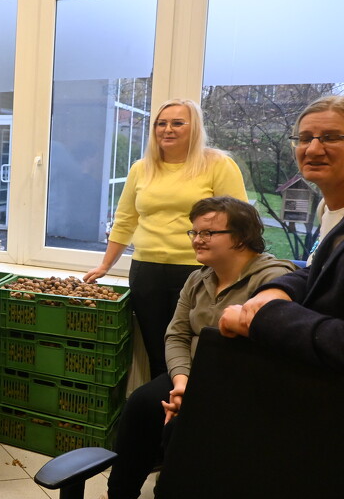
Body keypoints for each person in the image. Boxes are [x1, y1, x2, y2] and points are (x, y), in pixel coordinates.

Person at [81, 198, 294, 499]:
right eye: (194, 232)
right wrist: (182, 382)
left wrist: (196, 393)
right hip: (193, 375)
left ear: (241, 237)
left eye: (208, 233)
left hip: (241, 385)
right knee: (142, 403)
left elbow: (267, 353)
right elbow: (176, 335)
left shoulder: (273, 280)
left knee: (183, 427)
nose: (197, 240)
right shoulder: (198, 278)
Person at [84, 98, 248, 379]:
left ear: (194, 128)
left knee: (199, 354)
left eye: (177, 123)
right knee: (158, 355)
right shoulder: (141, 168)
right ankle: (161, 405)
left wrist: (238, 273)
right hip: (147, 272)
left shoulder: (218, 164)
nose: (167, 129)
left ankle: (191, 405)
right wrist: (105, 265)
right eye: (161, 123)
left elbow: (239, 222)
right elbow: (125, 220)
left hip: (201, 273)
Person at [220, 95, 344, 370]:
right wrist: (277, 290)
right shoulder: (328, 211)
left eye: (331, 137)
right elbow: (321, 271)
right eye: (305, 138)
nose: (313, 149)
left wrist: (263, 319)